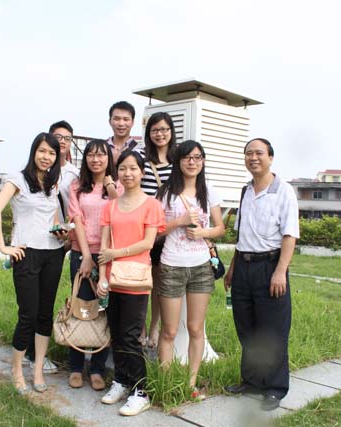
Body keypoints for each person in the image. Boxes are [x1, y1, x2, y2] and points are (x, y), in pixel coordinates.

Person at [223, 138, 299, 411]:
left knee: (272, 330)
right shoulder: (245, 190)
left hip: (270, 266)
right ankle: (252, 381)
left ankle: (275, 388)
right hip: (243, 267)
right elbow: (242, 234)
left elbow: (290, 235)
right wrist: (232, 268)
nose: (253, 158)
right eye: (248, 153)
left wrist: (280, 271)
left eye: (259, 153)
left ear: (270, 157)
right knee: (246, 326)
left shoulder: (284, 191)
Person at [0, 132, 64, 395]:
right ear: (34, 152)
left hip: (53, 254)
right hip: (26, 254)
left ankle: (38, 369)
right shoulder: (18, 179)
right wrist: (4, 247)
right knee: (28, 315)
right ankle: (17, 370)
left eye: (52, 153)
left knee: (45, 314)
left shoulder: (53, 184)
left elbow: (53, 219)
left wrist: (60, 231)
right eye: (42, 151)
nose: (47, 157)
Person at [96, 150, 165, 416]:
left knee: (131, 336)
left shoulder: (151, 205)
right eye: (123, 168)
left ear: (142, 172)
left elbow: (148, 243)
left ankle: (141, 391)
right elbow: (104, 246)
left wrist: (117, 253)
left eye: (133, 168)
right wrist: (102, 276)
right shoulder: (110, 206)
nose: (128, 173)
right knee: (115, 333)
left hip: (135, 279)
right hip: (112, 279)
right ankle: (121, 380)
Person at [156, 140, 225, 399]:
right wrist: (179, 222)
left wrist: (202, 233)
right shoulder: (166, 193)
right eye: (187, 157)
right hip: (172, 265)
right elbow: (155, 232)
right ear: (178, 161)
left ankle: (190, 384)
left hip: (200, 267)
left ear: (203, 161)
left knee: (196, 328)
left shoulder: (209, 191)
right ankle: (165, 384)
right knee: (169, 331)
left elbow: (220, 228)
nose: (192, 162)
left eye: (197, 157)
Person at [23, 120, 78, 374]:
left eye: (67, 138)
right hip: (36, 243)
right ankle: (29, 352)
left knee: (47, 300)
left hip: (63, 240)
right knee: (31, 303)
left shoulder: (74, 174)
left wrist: (68, 238)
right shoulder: (33, 173)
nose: (62, 141)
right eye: (58, 137)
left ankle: (37, 352)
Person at [66, 139, 120, 390]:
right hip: (83, 253)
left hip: (110, 255)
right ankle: (76, 367)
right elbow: (77, 220)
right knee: (82, 309)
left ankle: (97, 368)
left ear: (109, 159)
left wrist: (111, 187)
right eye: (91, 155)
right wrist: (86, 256)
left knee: (104, 311)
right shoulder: (77, 186)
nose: (96, 160)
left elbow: (122, 212)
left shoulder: (118, 185)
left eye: (101, 155)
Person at [139, 112, 176, 349]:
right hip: (142, 228)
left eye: (164, 129)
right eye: (155, 130)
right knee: (142, 280)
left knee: (160, 283)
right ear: (148, 133)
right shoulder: (141, 158)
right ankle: (141, 328)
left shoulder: (178, 159)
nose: (160, 134)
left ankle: (154, 327)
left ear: (171, 131)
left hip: (167, 229)